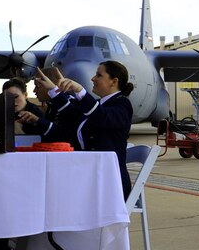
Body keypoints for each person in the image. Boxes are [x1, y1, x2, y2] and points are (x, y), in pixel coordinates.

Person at [35, 60, 135, 197]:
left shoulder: (122, 105)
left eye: (99, 75)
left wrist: (79, 90)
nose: (93, 78)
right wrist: (53, 89)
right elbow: (73, 113)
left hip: (110, 184)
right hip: (91, 177)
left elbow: (101, 116)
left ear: (114, 81)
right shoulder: (99, 105)